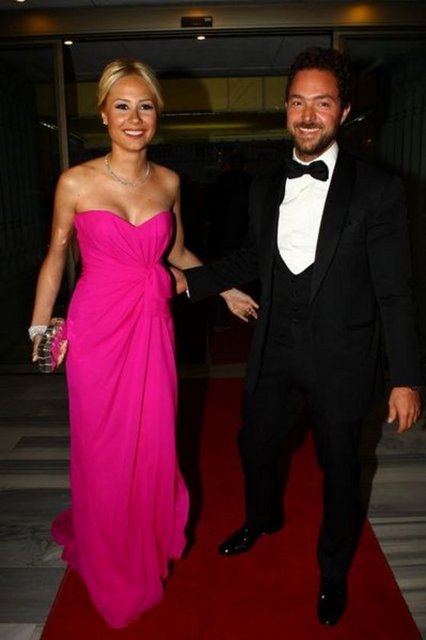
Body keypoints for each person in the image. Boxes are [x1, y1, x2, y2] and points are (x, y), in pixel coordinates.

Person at [181, 47, 423, 626]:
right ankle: (262, 517)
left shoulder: (378, 190)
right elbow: (251, 256)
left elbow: (395, 292)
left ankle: (333, 569)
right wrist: (184, 282)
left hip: (344, 355)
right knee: (254, 444)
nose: (308, 116)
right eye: (297, 102)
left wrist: (407, 378)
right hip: (275, 348)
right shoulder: (265, 185)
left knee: (340, 469)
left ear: (344, 112)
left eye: (322, 103)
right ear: (285, 108)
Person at [28, 58, 255, 629]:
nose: (134, 118)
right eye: (122, 106)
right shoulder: (76, 182)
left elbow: (176, 254)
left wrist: (224, 287)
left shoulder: (170, 182)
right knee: (103, 450)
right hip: (95, 332)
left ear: (158, 115)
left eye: (145, 106)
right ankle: (109, 554)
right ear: (104, 114)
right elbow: (57, 254)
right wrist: (39, 326)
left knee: (153, 442)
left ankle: (145, 542)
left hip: (152, 328)